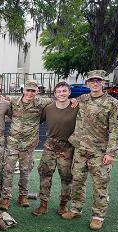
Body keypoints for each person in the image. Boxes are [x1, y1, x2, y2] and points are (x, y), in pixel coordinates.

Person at [62, 70, 118, 230]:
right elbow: (67, 100)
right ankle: (75, 209)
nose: (95, 83)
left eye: (98, 81)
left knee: (100, 185)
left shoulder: (112, 103)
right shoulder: (83, 99)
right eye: (92, 81)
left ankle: (98, 216)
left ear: (103, 83)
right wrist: (73, 99)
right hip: (81, 150)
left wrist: (111, 152)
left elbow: (115, 129)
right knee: (77, 181)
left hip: (100, 152)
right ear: (87, 83)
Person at [0, 80, 54, 211]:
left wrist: (74, 101)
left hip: (29, 144)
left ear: (37, 92)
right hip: (13, 143)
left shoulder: (42, 102)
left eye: (33, 91)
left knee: (25, 171)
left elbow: (59, 100)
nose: (30, 93)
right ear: (23, 90)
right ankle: (5, 198)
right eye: (28, 90)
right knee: (8, 171)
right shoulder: (13, 101)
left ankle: (22, 196)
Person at [33, 82, 78, 216]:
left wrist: (77, 100)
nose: (62, 94)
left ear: (69, 92)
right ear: (54, 94)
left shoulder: (76, 106)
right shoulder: (49, 108)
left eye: (64, 91)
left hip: (67, 147)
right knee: (45, 175)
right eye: (59, 92)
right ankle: (43, 204)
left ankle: (63, 205)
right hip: (50, 146)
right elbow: (36, 120)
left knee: (67, 177)